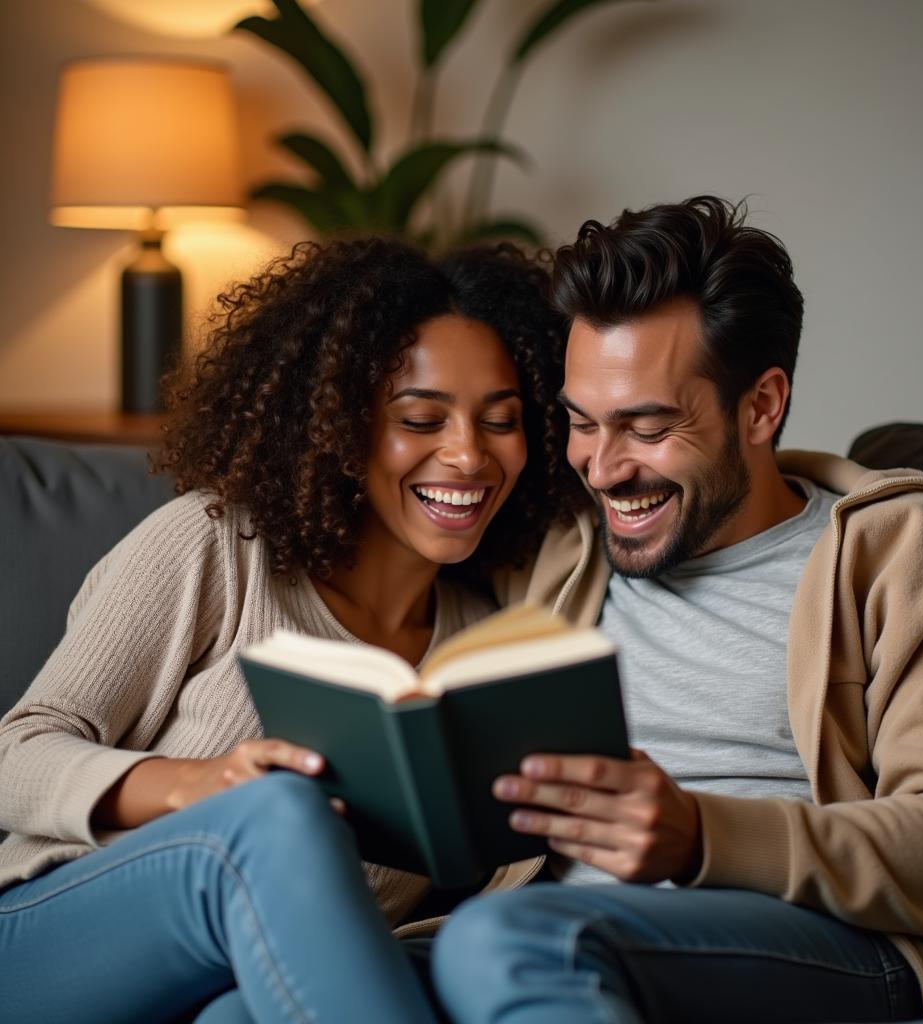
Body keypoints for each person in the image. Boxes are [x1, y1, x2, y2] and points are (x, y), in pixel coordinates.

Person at [431, 196, 923, 1022]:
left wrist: (703, 836)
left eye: (646, 426)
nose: (601, 469)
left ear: (761, 405)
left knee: (508, 939)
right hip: (558, 925)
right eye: (581, 424)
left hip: (829, 942)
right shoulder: (566, 552)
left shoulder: (909, 555)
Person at [0, 237, 579, 1023]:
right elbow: (16, 751)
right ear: (342, 423)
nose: (468, 454)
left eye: (502, 421)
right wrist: (195, 786)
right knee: (278, 814)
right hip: (55, 934)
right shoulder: (216, 547)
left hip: (258, 978)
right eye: (420, 418)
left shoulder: (484, 647)